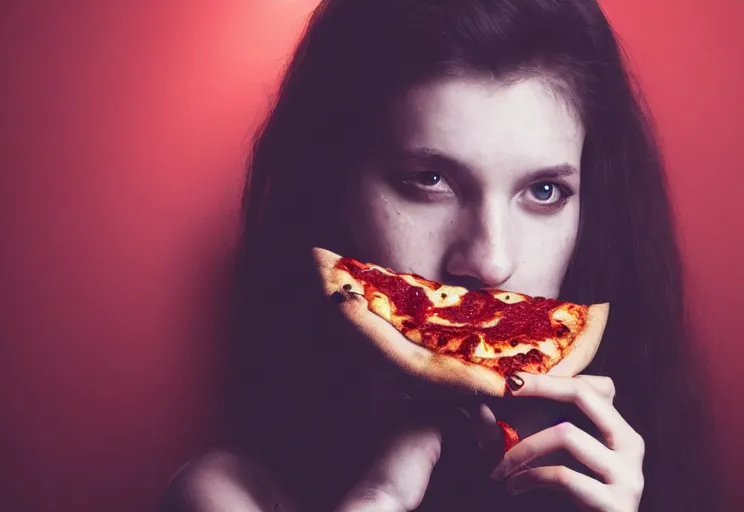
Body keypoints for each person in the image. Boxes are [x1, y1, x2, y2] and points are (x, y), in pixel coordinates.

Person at [159, 0, 720, 510]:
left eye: (544, 191)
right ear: (333, 188)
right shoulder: (233, 498)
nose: (490, 261)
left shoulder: (649, 479)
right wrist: (380, 497)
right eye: (428, 179)